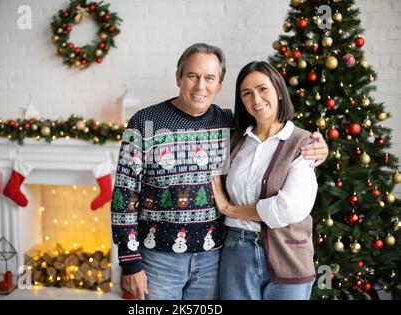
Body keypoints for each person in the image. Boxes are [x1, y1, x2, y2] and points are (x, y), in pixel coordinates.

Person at [111, 44, 328, 300]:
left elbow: (271, 132)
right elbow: (124, 196)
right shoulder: (145, 122)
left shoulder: (229, 125)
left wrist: (320, 148)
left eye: (210, 78)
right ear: (178, 77)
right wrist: (130, 262)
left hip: (213, 258)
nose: (200, 86)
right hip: (159, 259)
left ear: (220, 85)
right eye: (192, 76)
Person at [211, 61, 319, 300]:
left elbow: (287, 209)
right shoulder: (236, 140)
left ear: (279, 91)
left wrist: (229, 209)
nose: (255, 99)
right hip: (236, 252)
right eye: (246, 93)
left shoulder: (303, 144)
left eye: (263, 89)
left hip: (288, 255)